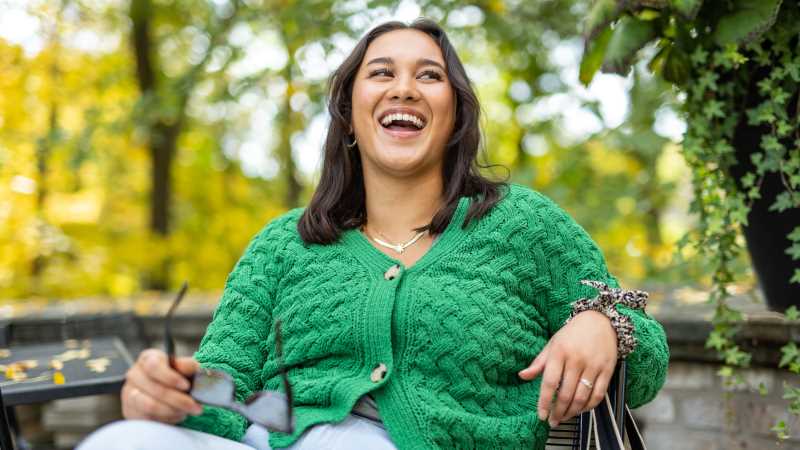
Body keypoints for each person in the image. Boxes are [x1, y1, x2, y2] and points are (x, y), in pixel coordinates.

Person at [78, 18, 669, 450]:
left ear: (455, 117)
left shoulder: (524, 227)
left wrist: (606, 327)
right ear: (351, 115)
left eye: (429, 76)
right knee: (122, 440)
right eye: (381, 73)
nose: (403, 88)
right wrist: (169, 396)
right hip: (269, 441)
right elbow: (225, 389)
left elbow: (644, 368)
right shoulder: (284, 245)